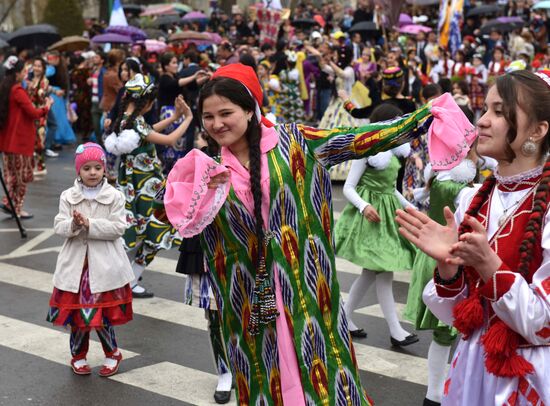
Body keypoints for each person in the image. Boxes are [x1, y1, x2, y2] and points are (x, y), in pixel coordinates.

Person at [162, 63, 461, 405]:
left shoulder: (297, 142)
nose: (216, 124)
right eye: (208, 117)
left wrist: (428, 116)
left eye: (225, 113)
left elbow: (363, 139)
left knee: (324, 377)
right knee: (265, 379)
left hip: (307, 289)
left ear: (249, 109)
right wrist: (196, 188)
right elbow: (177, 219)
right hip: (250, 302)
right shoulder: (210, 168)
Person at [396, 70, 550, 405]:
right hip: (471, 367)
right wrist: (448, 270)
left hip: (527, 379)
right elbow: (462, 317)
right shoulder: (472, 199)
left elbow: (544, 322)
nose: (481, 121)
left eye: (499, 111)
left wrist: (491, 267)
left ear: (537, 131)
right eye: (485, 109)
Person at [404, 109, 479, 406]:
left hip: (439, 258)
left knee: (446, 334)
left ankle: (436, 393)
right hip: (449, 261)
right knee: (447, 333)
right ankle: (434, 395)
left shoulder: (442, 176)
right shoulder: (460, 185)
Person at [334, 104, 419, 346]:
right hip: (370, 218)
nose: (397, 127)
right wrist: (364, 206)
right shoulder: (367, 151)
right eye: (393, 122)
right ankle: (395, 330)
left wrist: (409, 206)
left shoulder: (394, 150)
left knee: (374, 271)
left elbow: (391, 189)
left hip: (387, 214)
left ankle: (344, 317)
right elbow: (349, 187)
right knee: (383, 271)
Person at [47, 142, 134, 377]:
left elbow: (118, 227)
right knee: (78, 316)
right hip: (76, 266)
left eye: (97, 167)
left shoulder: (114, 196)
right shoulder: (69, 196)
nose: (93, 172)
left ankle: (112, 352)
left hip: (104, 266)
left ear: (104, 169)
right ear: (78, 170)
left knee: (102, 314)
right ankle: (78, 355)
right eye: (87, 168)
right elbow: (59, 225)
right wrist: (74, 224)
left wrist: (91, 224)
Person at [105, 74, 193, 298]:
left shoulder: (125, 119)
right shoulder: (136, 123)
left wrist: (174, 115)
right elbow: (169, 139)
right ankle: (131, 280)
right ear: (146, 103)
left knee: (138, 233)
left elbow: (150, 130)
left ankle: (123, 277)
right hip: (148, 188)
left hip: (134, 186)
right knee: (159, 231)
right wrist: (187, 119)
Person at [0, 56, 52, 219]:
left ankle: (10, 203)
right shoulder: (17, 90)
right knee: (21, 178)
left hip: (8, 141)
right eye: (24, 71)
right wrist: (47, 107)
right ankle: (17, 207)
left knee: (11, 175)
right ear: (17, 74)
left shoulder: (6, 88)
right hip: (19, 141)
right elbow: (33, 113)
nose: (26, 73)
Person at [26, 57, 50, 176]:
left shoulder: (44, 81)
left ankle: (41, 166)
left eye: (39, 66)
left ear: (43, 68)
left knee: (39, 140)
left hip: (40, 113)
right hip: (30, 113)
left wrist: (37, 91)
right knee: (32, 140)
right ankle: (34, 165)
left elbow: (42, 96)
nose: (36, 68)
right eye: (35, 65)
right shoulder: (30, 80)